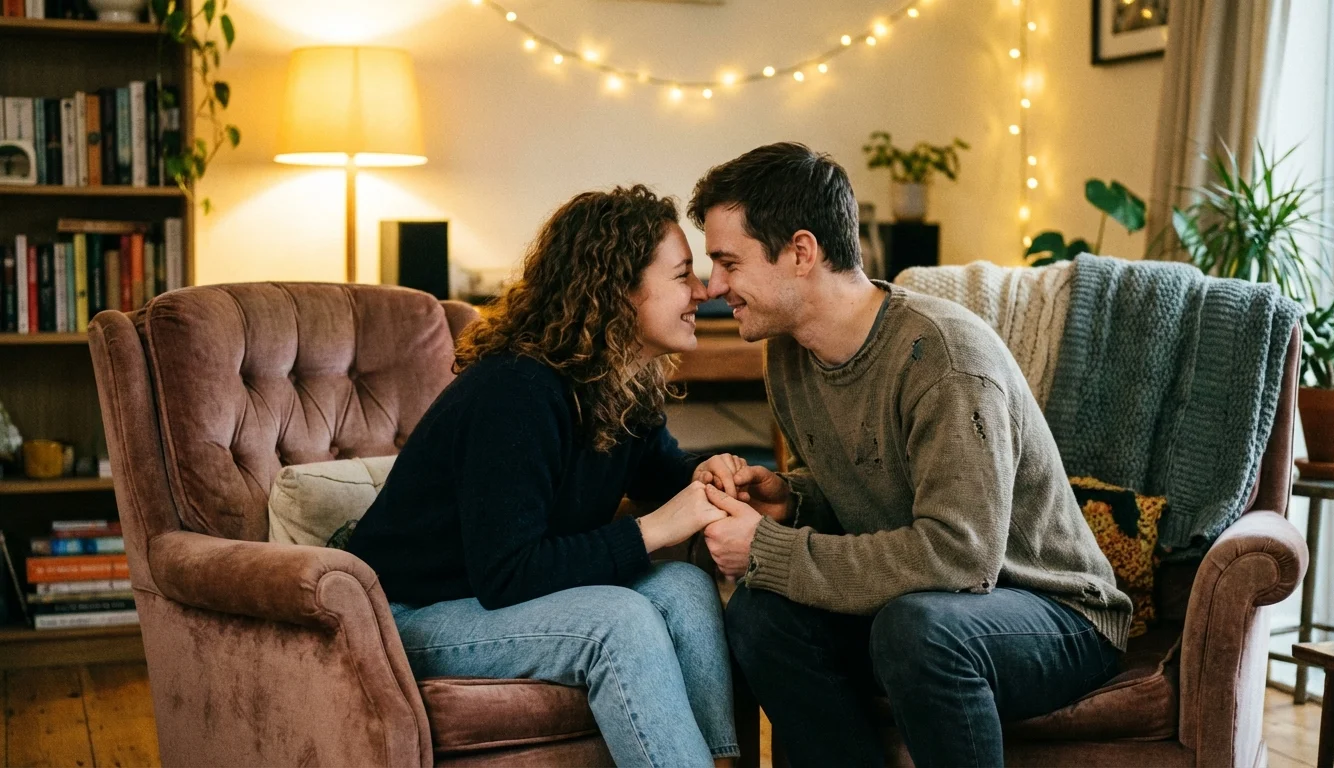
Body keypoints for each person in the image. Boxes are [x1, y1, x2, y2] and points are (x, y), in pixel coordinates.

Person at [685, 143, 1133, 768]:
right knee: (761, 617)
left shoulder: (944, 359)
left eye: (728, 262)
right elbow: (875, 495)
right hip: (919, 603)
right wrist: (793, 501)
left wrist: (767, 549)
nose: (714, 286)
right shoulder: (788, 355)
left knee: (917, 630)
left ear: (801, 252)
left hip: (1053, 611)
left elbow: (959, 557)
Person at [346, 185, 742, 768]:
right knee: (619, 622)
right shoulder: (518, 391)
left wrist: (702, 475)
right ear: (619, 292)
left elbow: (662, 475)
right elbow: (508, 573)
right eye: (683, 275)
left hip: (490, 600)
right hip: (411, 613)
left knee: (683, 590)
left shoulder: (620, 382)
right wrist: (655, 529)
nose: (703, 291)